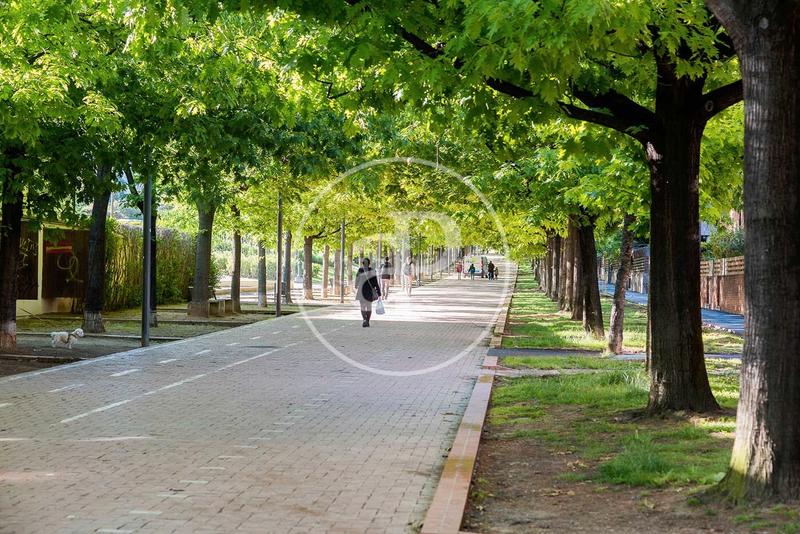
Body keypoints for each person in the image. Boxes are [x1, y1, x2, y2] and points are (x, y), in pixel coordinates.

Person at [355, 257, 381, 327]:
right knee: (369, 306)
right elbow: (375, 282)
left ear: (363, 263)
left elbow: (357, 279)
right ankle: (367, 321)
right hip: (369, 291)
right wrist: (379, 293)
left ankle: (364, 320)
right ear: (369, 264)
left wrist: (356, 285)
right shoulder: (372, 270)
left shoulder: (360, 270)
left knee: (362, 307)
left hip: (361, 291)